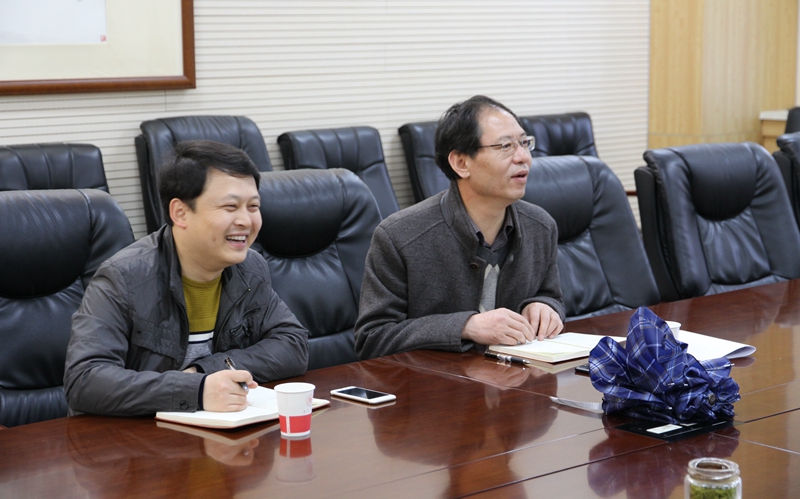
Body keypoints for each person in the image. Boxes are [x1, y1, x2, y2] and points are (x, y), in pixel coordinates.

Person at [64, 140, 308, 416]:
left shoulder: (249, 267)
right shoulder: (123, 277)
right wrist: (196, 390)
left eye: (253, 206)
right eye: (230, 207)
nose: (246, 221)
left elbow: (293, 344)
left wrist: (204, 371)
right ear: (180, 213)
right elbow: (84, 380)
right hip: (136, 436)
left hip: (217, 430)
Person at [354, 95, 564, 360]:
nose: (524, 157)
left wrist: (545, 306)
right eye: (506, 146)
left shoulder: (541, 226)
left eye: (524, 143)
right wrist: (466, 326)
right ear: (461, 163)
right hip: (436, 382)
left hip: (517, 379)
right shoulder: (399, 237)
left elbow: (550, 295)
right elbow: (372, 339)